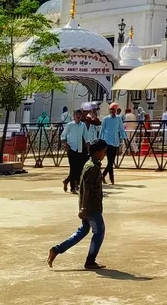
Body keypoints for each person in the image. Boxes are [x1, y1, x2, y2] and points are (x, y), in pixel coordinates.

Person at [48, 139, 107, 270]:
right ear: (97, 153)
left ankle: (57, 250)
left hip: (87, 205)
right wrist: (84, 208)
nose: (105, 154)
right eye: (104, 151)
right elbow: (87, 189)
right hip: (91, 206)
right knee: (99, 231)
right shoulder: (93, 168)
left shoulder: (90, 164)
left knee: (84, 230)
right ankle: (90, 261)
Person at [63, 108, 88, 194]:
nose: (78, 116)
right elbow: (63, 135)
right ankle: (72, 187)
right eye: (77, 114)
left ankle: (67, 181)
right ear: (74, 116)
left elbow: (86, 136)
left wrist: (88, 144)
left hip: (79, 148)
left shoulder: (83, 125)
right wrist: (65, 143)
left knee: (79, 168)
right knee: (73, 168)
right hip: (71, 148)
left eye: (79, 115)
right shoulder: (70, 125)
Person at [100, 105, 126, 184]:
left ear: (116, 110)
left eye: (113, 110)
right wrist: (100, 140)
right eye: (111, 109)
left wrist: (125, 138)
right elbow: (102, 130)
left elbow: (121, 129)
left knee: (111, 161)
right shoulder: (106, 119)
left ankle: (108, 177)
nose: (112, 111)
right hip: (107, 141)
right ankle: (106, 177)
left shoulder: (118, 119)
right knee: (110, 162)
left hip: (115, 142)